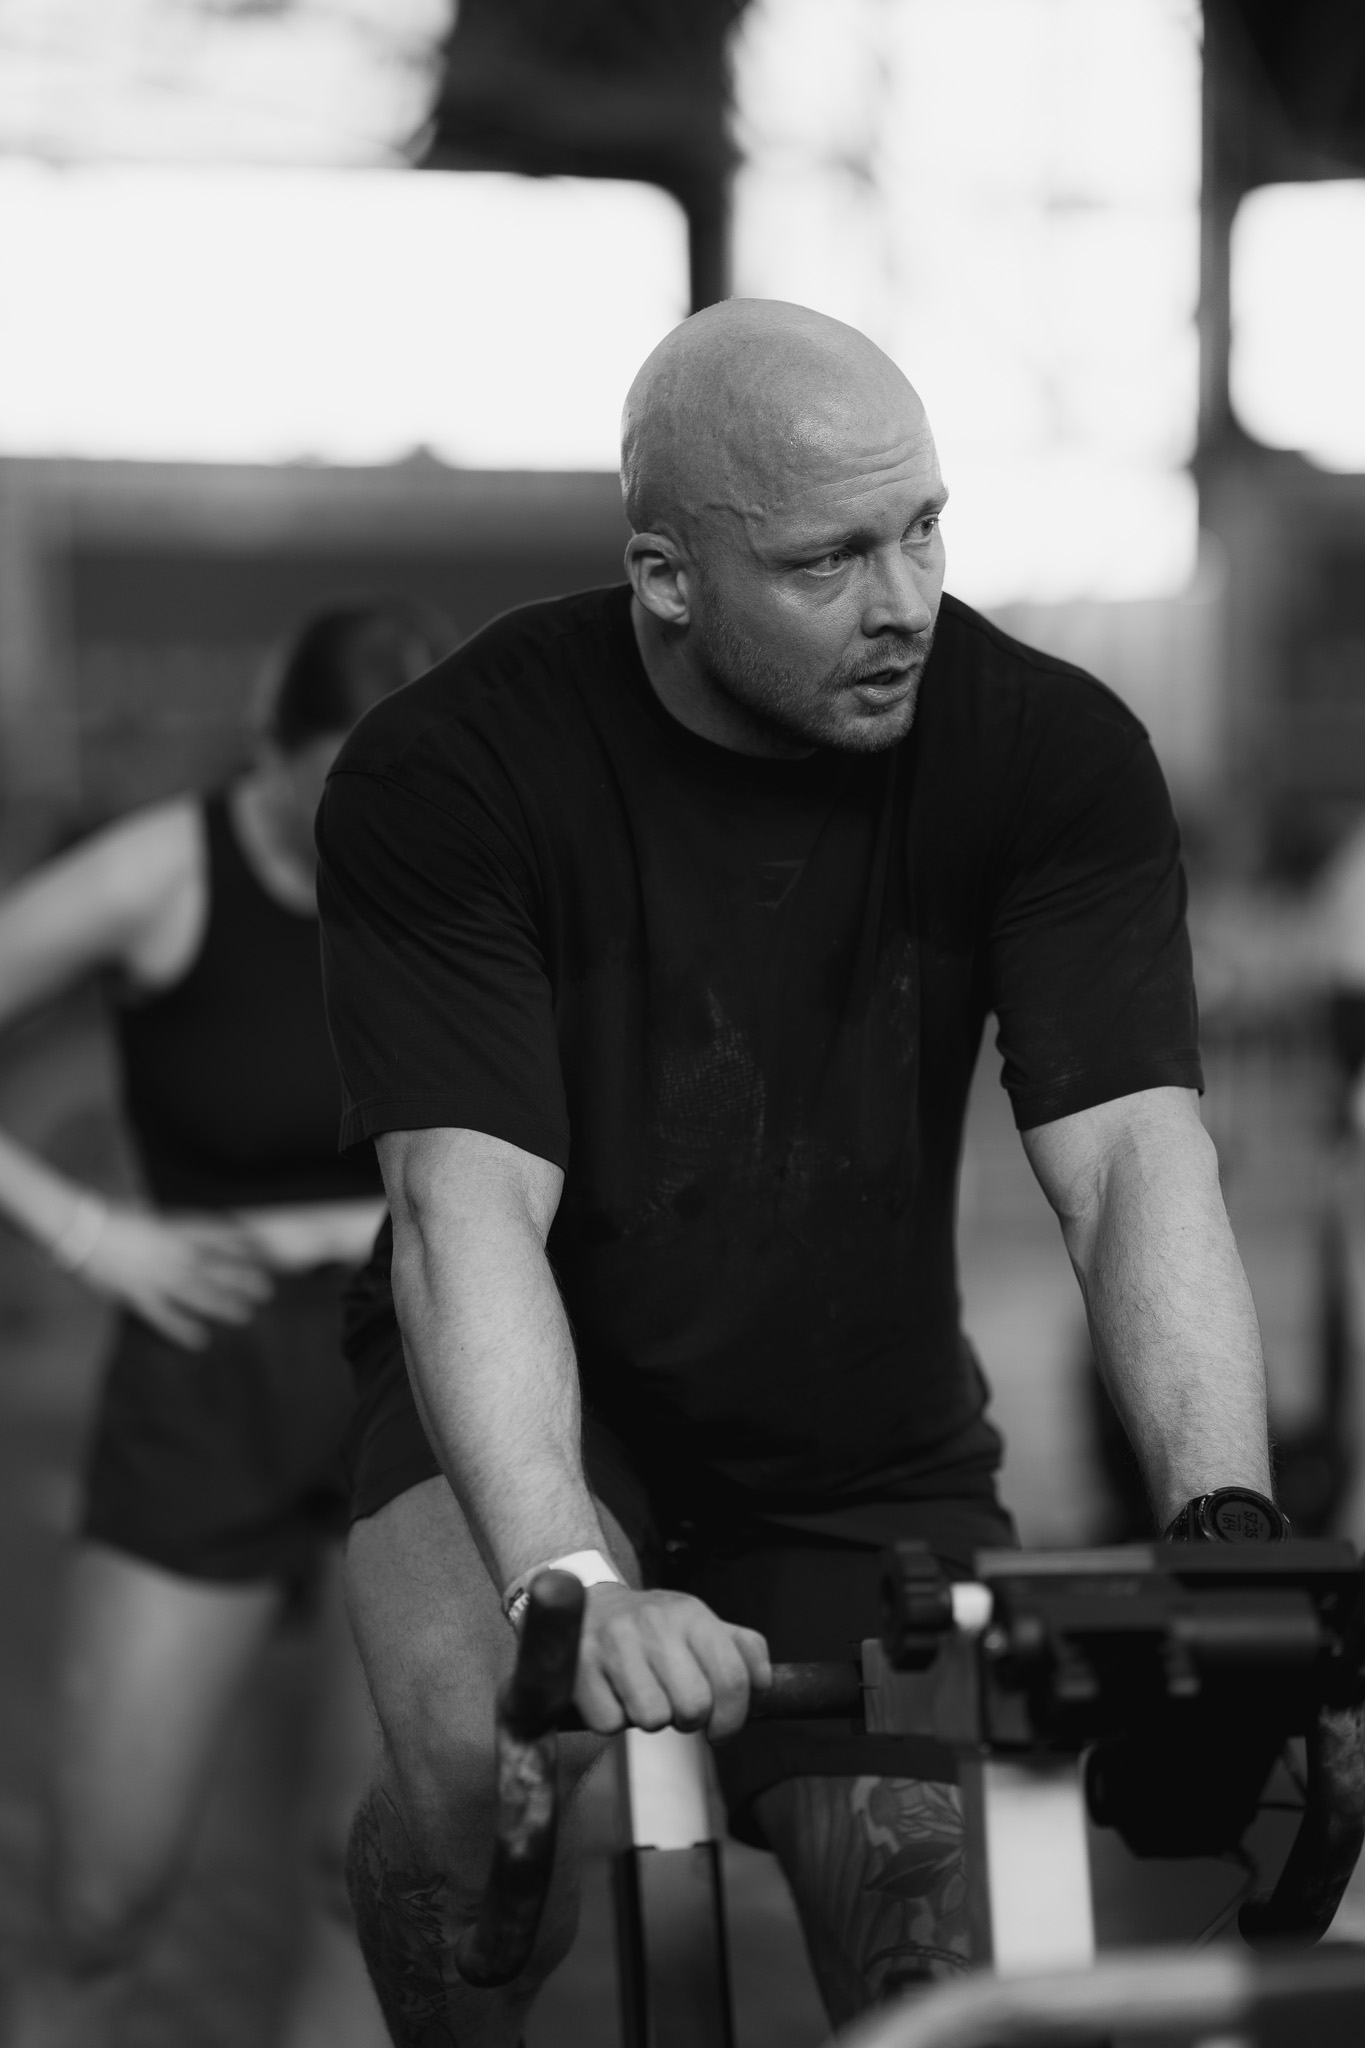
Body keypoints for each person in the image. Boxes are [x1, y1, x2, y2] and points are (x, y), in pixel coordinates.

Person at [316, 300, 1276, 2041]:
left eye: (921, 529)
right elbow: (464, 1216)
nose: (902, 601)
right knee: (483, 1771)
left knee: (938, 1967)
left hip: (856, 1431)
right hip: (543, 1390)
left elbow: (1134, 1157)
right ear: (666, 575)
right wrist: (572, 1582)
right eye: (828, 559)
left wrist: (1223, 1530)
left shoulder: (1047, 751)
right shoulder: (452, 769)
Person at [0, 601, 446, 2048]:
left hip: (421, 1372)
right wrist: (86, 1233)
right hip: (210, 1377)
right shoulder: (161, 872)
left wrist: (346, 1231)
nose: (363, 843)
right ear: (270, 749)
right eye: (335, 798)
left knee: (367, 1896)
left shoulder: (467, 871)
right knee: (99, 1907)